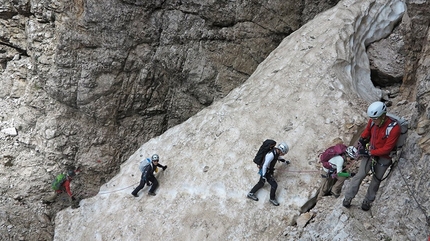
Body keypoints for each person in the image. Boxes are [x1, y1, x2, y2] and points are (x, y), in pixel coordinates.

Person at [343, 101, 401, 211]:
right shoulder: (373, 121)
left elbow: (387, 148)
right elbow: (367, 131)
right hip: (371, 151)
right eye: (372, 119)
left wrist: (370, 153)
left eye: (375, 119)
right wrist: (362, 140)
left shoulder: (394, 128)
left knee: (376, 179)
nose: (373, 121)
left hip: (384, 156)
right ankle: (348, 197)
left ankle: (367, 201)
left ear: (383, 116)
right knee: (360, 175)